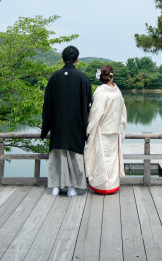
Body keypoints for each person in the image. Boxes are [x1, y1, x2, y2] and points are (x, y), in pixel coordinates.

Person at [41, 45, 92, 196]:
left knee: (57, 154)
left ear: (63, 59)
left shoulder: (54, 77)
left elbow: (47, 104)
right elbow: (89, 105)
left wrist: (46, 127)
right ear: (77, 59)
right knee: (75, 155)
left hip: (57, 125)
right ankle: (73, 188)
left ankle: (56, 186)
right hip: (76, 125)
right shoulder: (83, 78)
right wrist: (87, 127)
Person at [84, 65, 127, 194]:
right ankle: (113, 185)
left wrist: (89, 129)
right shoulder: (117, 92)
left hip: (102, 130)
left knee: (101, 158)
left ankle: (102, 186)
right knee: (112, 158)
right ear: (112, 76)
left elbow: (95, 113)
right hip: (114, 130)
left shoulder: (100, 92)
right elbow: (123, 112)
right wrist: (121, 126)